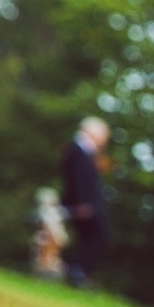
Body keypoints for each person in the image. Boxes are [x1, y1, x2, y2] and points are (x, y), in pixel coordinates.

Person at [59, 116, 110, 284]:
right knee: (96, 236)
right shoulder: (78, 151)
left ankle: (76, 270)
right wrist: (82, 203)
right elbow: (77, 179)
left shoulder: (83, 152)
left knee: (90, 237)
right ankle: (76, 271)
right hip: (83, 205)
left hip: (84, 204)